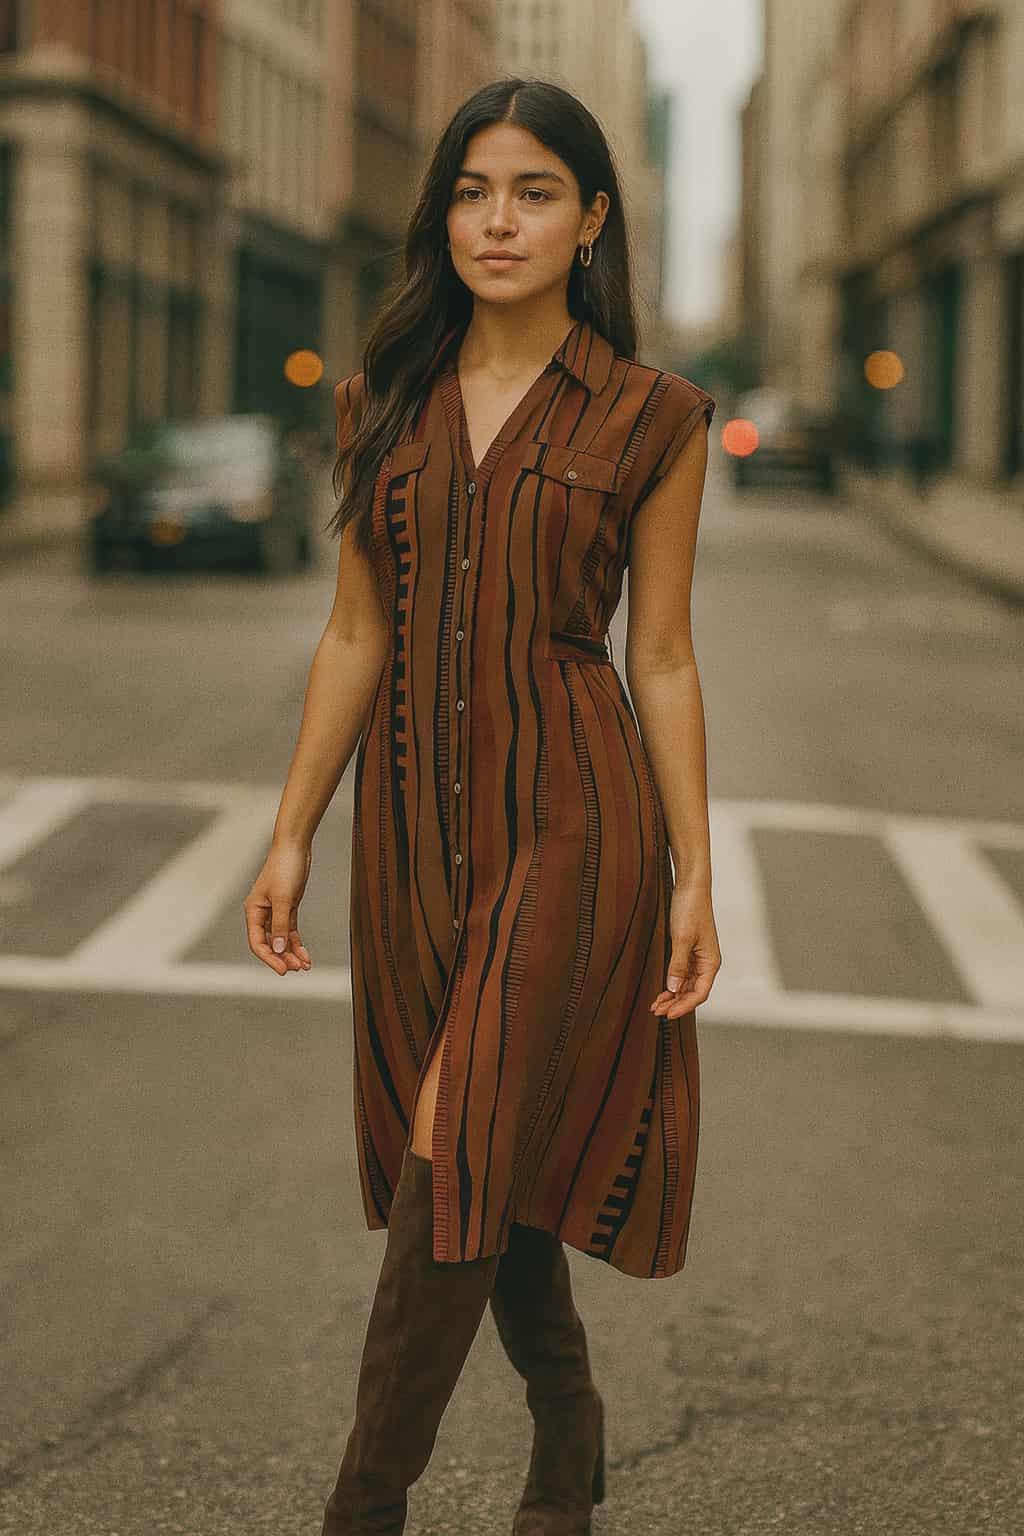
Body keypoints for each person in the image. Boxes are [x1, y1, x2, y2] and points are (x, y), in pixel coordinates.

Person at [244, 76, 722, 1536]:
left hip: (576, 821)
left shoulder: (654, 416)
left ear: (592, 220)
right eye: (470, 189)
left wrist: (698, 871)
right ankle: (569, 1433)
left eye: (530, 191)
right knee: (471, 1161)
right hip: (410, 836)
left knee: (464, 1131)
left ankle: (362, 1505)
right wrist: (290, 829)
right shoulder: (380, 400)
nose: (495, 219)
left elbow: (663, 652)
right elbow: (355, 635)